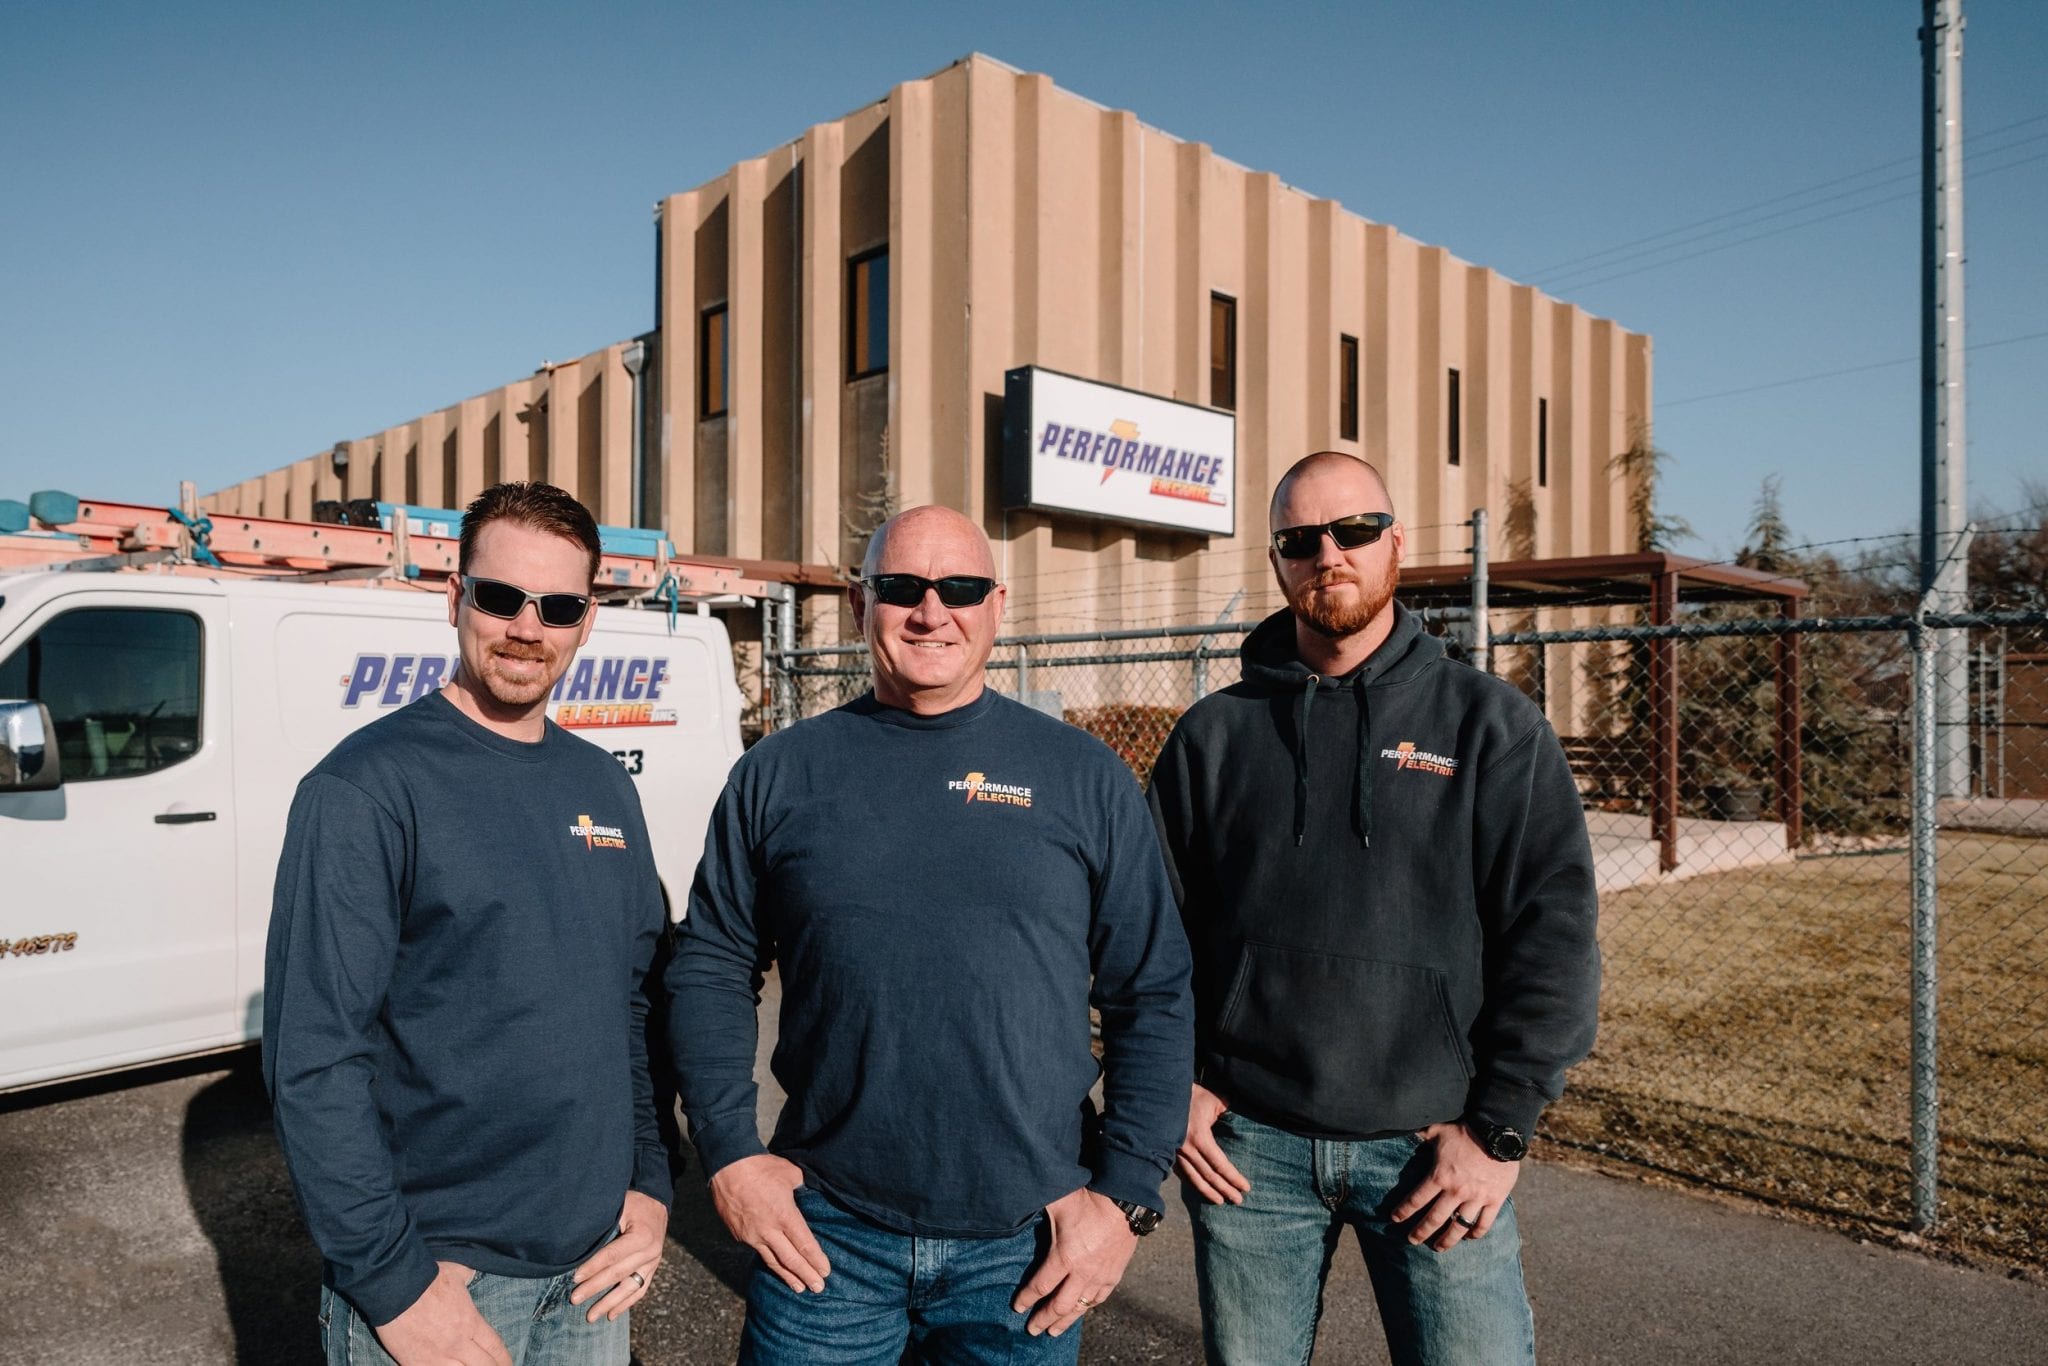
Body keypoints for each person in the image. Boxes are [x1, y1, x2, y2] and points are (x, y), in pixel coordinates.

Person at [669, 505, 1194, 1364]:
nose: (931, 612)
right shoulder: (779, 774)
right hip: (825, 1236)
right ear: (859, 604)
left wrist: (1127, 1196)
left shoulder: (1084, 778)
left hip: (1027, 1248)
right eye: (902, 588)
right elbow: (712, 966)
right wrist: (728, 1154)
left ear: (997, 604)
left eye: (960, 588)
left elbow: (1153, 991)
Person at [1147, 451, 1601, 1365]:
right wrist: (1172, 1087)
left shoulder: (1489, 726)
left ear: (1395, 544)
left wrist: (1499, 1132)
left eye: (1353, 530)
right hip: (1250, 1152)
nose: (1329, 554)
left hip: (1435, 1151)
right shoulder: (1214, 736)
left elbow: (1552, 938)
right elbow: (1151, 934)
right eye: (1300, 539)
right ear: (1277, 562)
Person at [265, 481, 672, 1366]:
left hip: (595, 1268)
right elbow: (315, 1058)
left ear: (587, 620)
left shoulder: (605, 787)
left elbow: (631, 1008)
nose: (527, 627)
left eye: (558, 606)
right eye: (500, 597)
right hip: (442, 1276)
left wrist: (651, 1179)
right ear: (455, 598)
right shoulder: (366, 788)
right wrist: (393, 1284)